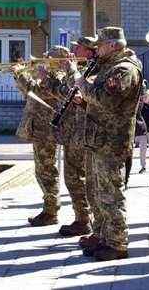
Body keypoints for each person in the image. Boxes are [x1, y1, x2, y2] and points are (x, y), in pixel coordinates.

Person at [74, 26, 142, 261]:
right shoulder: (109, 66)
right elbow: (99, 102)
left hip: (111, 142)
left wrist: (84, 86)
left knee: (111, 194)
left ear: (113, 45)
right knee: (97, 192)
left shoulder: (124, 69)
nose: (97, 49)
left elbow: (107, 100)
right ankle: (102, 235)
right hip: (99, 139)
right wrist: (84, 99)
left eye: (100, 45)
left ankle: (117, 242)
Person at [12, 50, 63, 227]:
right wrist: (20, 75)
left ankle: (51, 211)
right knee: (41, 171)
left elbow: (36, 90)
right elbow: (27, 92)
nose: (44, 59)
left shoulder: (56, 77)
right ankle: (49, 209)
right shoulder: (46, 76)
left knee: (47, 171)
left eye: (48, 57)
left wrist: (21, 73)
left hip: (46, 130)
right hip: (38, 128)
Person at [53, 39, 97, 239]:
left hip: (86, 132)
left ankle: (89, 221)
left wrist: (71, 70)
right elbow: (65, 92)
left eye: (78, 47)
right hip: (74, 131)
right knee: (72, 178)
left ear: (88, 51)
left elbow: (84, 89)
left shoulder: (95, 68)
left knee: (84, 179)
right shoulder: (82, 68)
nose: (74, 50)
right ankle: (82, 218)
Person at [134, 94, 149, 174]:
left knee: (143, 151)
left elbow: (142, 102)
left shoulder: (140, 105)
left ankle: (143, 167)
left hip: (141, 130)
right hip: (134, 131)